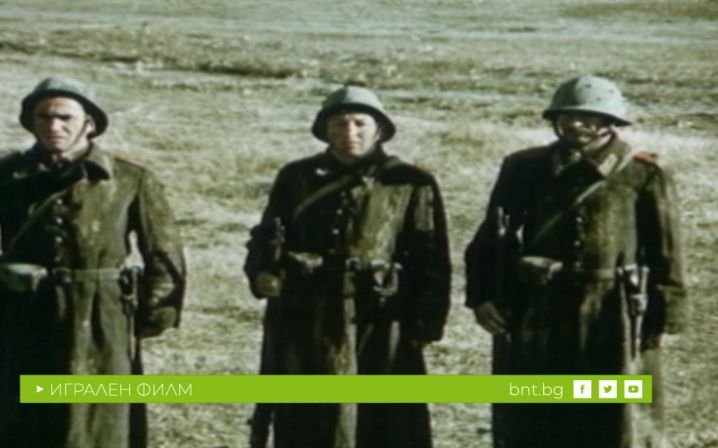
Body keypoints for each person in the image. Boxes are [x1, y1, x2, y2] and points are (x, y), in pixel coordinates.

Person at [0, 76, 186, 448]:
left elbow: (164, 252)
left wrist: (154, 313)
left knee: (96, 419)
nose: (53, 126)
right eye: (43, 117)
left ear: (89, 123)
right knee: (22, 418)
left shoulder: (130, 179)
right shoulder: (0, 177)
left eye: (65, 117)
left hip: (101, 316)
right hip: (21, 315)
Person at [464, 75, 687, 448]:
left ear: (610, 121)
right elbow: (492, 237)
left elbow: (667, 251)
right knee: (538, 413)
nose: (574, 124)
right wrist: (482, 296)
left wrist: (664, 316)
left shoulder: (643, 173)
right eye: (566, 115)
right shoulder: (524, 168)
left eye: (588, 116)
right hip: (538, 309)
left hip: (612, 311)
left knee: (614, 417)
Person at [244, 85, 451, 448]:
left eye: (359, 123)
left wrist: (426, 321)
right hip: (307, 311)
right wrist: (263, 272)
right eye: (339, 124)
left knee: (384, 417)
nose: (349, 133)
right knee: (308, 415)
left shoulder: (409, 181)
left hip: (379, 315)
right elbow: (267, 235)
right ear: (325, 130)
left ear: (379, 130)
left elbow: (431, 257)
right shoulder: (296, 176)